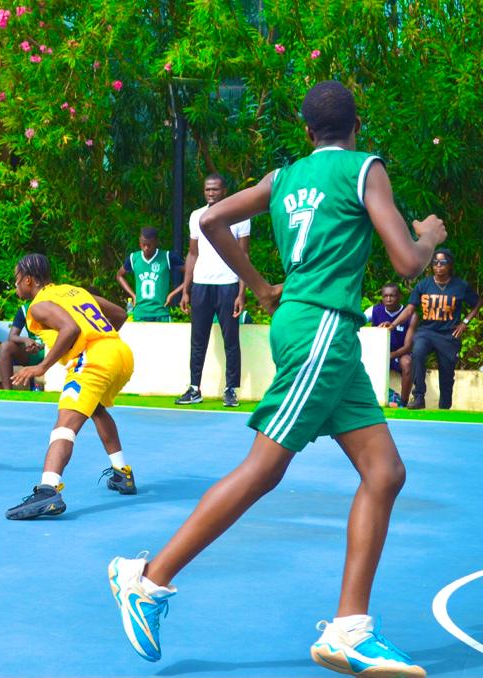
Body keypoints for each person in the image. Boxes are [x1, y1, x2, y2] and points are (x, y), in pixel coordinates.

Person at [107, 81, 445, 678]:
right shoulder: (366, 169)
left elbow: (210, 220)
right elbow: (407, 262)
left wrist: (261, 286)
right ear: (356, 126)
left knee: (385, 472)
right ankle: (148, 581)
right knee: (264, 468)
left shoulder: (283, 177)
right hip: (321, 328)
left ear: (308, 131)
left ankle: (350, 629)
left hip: (312, 326)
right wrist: (430, 237)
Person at [4, 253, 136, 520]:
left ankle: (48, 490)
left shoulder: (39, 305)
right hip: (119, 353)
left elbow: (71, 329)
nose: (16, 285)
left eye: (16, 280)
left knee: (64, 424)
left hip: (92, 359)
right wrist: (103, 342)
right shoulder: (74, 291)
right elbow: (119, 314)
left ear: (29, 280)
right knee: (96, 408)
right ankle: (123, 473)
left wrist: (41, 367)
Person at [176, 174, 251, 407]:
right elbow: (193, 253)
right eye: (207, 189)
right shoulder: (196, 216)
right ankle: (194, 388)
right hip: (201, 285)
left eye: (215, 189)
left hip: (228, 285)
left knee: (231, 340)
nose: (211, 193)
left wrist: (241, 292)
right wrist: (186, 290)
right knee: (198, 339)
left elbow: (244, 255)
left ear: (224, 190)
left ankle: (230, 389)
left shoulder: (239, 217)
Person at [387, 248, 480, 410]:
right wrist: (393, 324)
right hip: (427, 332)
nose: (438, 265)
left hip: (449, 335)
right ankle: (418, 397)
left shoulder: (460, 286)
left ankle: (444, 406)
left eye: (442, 262)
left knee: (446, 376)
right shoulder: (424, 285)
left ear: (449, 265)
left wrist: (465, 322)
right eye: (435, 262)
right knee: (418, 352)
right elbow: (410, 309)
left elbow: (478, 302)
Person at [116, 227, 185, 322]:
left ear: (156, 242)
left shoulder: (167, 257)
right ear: (139, 241)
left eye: (149, 245)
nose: (146, 248)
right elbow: (119, 275)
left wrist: (172, 294)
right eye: (143, 244)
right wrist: (133, 295)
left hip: (161, 312)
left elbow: (191, 275)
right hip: (140, 313)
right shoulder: (134, 258)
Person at [364, 283, 415, 407]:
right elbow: (357, 323)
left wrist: (390, 355)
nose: (388, 299)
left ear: (400, 297)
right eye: (385, 296)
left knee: (407, 362)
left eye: (392, 296)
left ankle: (403, 403)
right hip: (380, 353)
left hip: (400, 353)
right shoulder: (374, 310)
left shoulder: (411, 316)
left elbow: (408, 346)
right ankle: (376, 398)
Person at [0, 302, 45, 390]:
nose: (17, 290)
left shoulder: (55, 302)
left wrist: (42, 346)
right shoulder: (24, 309)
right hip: (33, 351)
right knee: (5, 347)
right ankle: (8, 393)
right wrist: (26, 340)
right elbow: (12, 336)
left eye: (18, 287)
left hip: (54, 350)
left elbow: (66, 333)